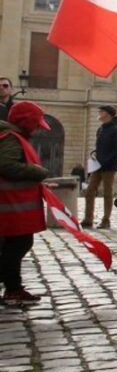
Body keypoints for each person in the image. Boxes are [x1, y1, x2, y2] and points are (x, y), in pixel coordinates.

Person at [0, 101, 52, 306]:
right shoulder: (11, 138)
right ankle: (13, 289)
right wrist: (39, 172)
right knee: (20, 243)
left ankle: (13, 287)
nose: (38, 127)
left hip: (10, 205)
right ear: (26, 121)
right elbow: (6, 165)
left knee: (15, 244)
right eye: (36, 123)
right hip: (10, 206)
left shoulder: (11, 136)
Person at [82, 105, 117, 229]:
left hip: (109, 167)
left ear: (108, 114)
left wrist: (106, 160)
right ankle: (88, 219)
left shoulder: (116, 130)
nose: (99, 113)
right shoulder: (100, 129)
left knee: (107, 193)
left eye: (102, 111)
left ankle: (106, 220)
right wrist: (94, 154)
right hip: (97, 165)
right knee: (89, 191)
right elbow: (100, 147)